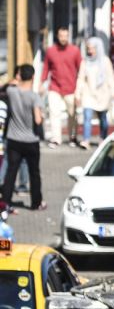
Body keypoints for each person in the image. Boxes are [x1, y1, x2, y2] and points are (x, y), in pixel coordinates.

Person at [1, 65, 44, 211]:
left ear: (19, 76)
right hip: (31, 140)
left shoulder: (12, 92)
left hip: (13, 139)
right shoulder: (34, 96)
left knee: (11, 171)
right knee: (34, 173)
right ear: (33, 77)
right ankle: (35, 203)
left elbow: (3, 87)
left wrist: (14, 81)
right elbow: (38, 120)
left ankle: (6, 202)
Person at [41, 27, 82, 147]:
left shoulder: (75, 51)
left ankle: (72, 137)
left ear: (68, 36)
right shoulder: (51, 51)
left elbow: (81, 69)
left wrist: (81, 89)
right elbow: (46, 68)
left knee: (72, 114)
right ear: (57, 36)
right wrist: (41, 83)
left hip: (71, 88)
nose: (63, 38)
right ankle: (56, 139)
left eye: (65, 36)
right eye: (61, 36)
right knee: (54, 113)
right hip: (55, 87)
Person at [75, 37, 114, 150]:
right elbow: (81, 78)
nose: (90, 51)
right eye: (88, 48)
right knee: (87, 117)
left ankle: (103, 137)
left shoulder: (105, 61)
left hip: (103, 94)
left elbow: (110, 77)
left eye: (92, 48)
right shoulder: (85, 62)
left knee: (103, 118)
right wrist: (78, 94)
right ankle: (86, 140)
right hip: (88, 94)